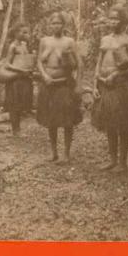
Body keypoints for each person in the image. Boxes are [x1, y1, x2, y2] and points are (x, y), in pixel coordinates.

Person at [91, 6, 128, 172]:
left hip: (122, 86)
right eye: (110, 19)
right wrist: (95, 84)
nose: (113, 22)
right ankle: (112, 160)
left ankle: (122, 162)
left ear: (123, 22)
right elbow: (99, 62)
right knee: (109, 122)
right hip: (105, 84)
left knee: (123, 123)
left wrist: (117, 74)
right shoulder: (105, 39)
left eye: (116, 19)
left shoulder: (127, 40)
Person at [37, 12, 82, 163]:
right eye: (53, 23)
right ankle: (53, 152)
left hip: (64, 84)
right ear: (49, 25)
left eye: (58, 23)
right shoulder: (44, 41)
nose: (55, 26)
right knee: (51, 119)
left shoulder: (69, 41)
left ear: (63, 25)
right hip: (49, 85)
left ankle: (66, 153)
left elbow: (78, 64)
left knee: (67, 120)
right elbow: (39, 62)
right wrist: (44, 75)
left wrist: (78, 84)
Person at [4, 22, 34, 136]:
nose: (26, 34)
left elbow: (26, 61)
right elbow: (7, 64)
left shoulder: (24, 45)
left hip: (24, 78)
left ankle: (18, 129)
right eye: (24, 32)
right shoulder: (13, 46)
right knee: (14, 104)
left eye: (27, 32)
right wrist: (21, 71)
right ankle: (15, 130)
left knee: (21, 104)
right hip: (15, 79)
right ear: (16, 33)